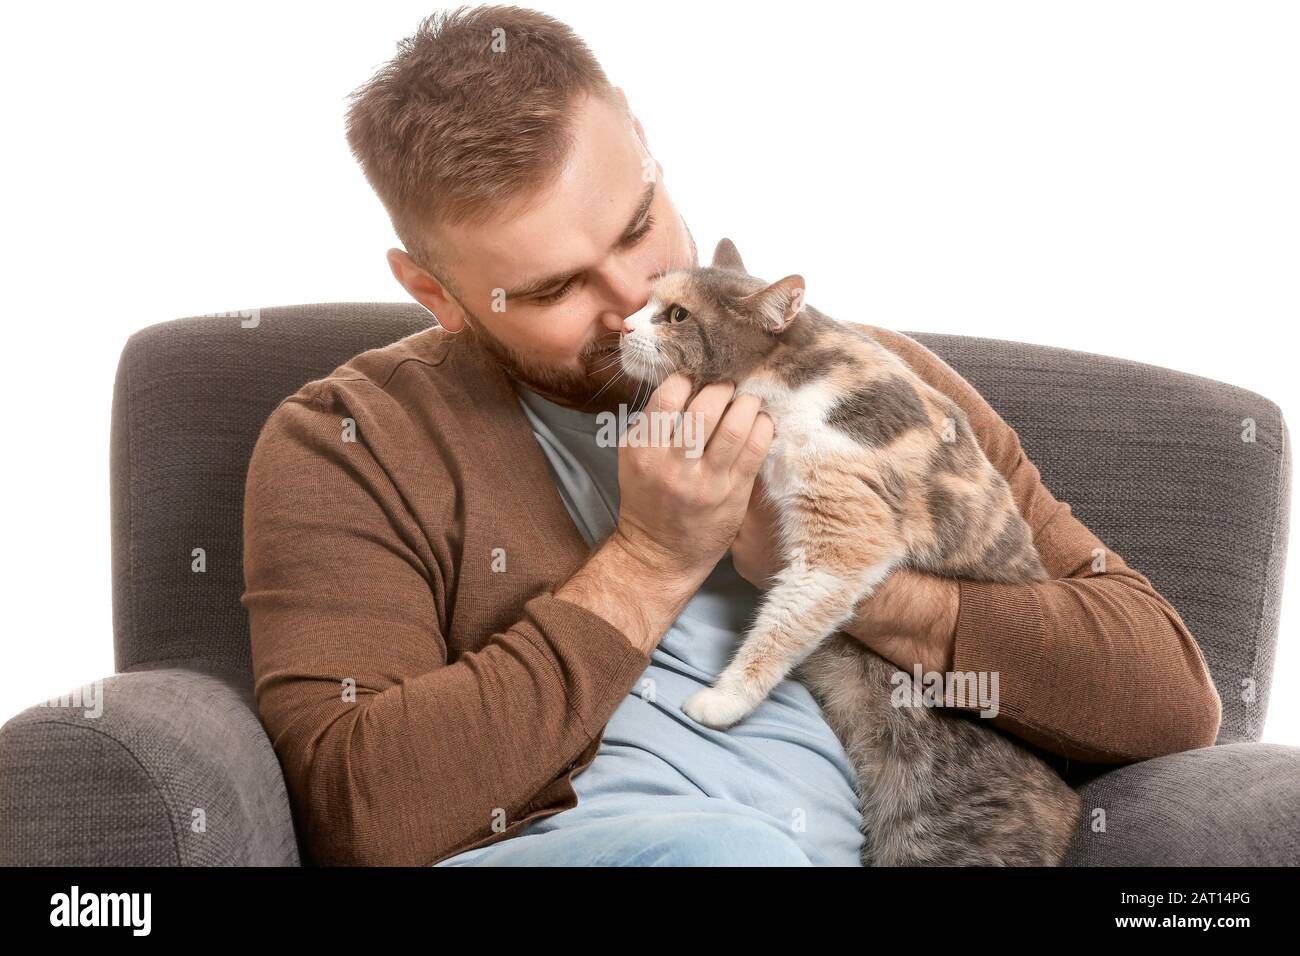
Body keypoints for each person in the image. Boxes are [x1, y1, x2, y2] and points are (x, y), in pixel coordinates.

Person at [240, 5, 1222, 867]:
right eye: (552, 288)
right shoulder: (351, 438)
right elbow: (359, 812)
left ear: (641, 135)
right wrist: (651, 557)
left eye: (635, 228)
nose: (634, 301)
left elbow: (1169, 696)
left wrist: (850, 580)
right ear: (432, 290)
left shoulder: (870, 378)